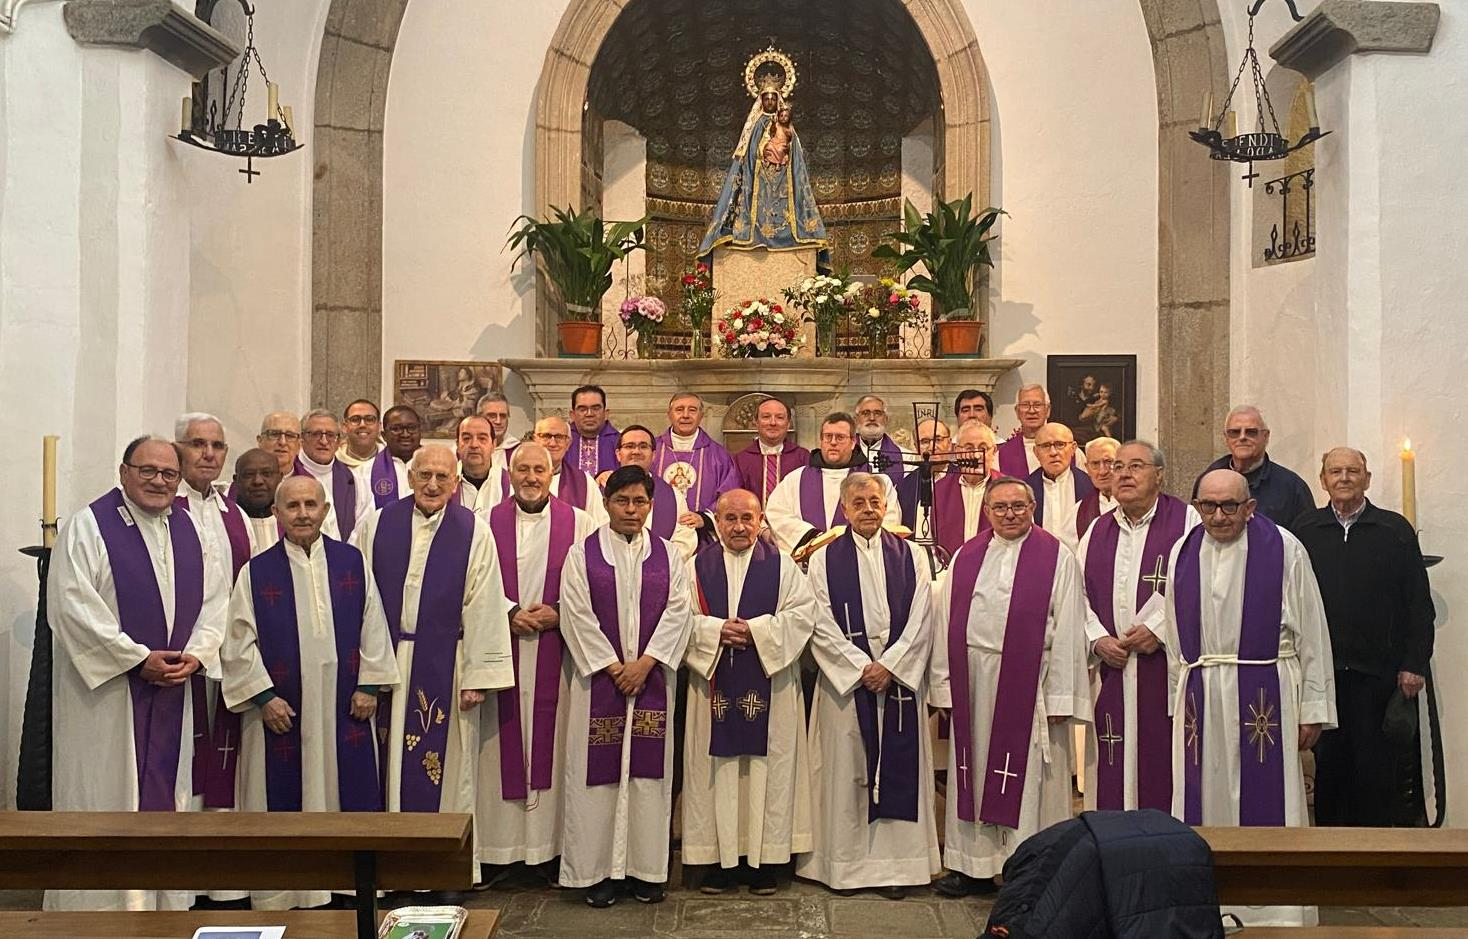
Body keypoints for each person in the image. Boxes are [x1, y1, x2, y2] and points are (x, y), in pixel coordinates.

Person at [46, 436, 227, 912]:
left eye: (169, 474)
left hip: (173, 689)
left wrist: (198, 654)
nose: (159, 481)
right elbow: (71, 606)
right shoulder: (89, 526)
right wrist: (134, 658)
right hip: (107, 702)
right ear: (123, 472)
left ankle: (163, 905)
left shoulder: (190, 529)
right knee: (107, 796)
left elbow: (216, 602)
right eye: (147, 470)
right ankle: (98, 911)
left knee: (168, 795)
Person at [1163, 469, 1336, 927]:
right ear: (1196, 505)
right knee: (1206, 798)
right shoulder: (1184, 550)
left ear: (1250, 507)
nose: (1218, 517)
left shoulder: (1283, 548)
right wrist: (1176, 701)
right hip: (1202, 691)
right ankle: (1209, 905)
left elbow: (1313, 631)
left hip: (1266, 692)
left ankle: (1276, 911)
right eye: (1208, 506)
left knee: (1268, 800)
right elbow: (1175, 636)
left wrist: (1313, 708)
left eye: (1230, 506)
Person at [220, 475, 397, 910]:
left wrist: (369, 685)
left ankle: (345, 885)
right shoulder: (256, 572)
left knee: (345, 791)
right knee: (284, 795)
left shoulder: (351, 562)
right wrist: (264, 696)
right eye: (293, 506)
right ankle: (286, 888)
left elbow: (373, 625)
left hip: (344, 706)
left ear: (324, 510)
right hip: (284, 709)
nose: (302, 513)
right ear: (278, 513)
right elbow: (238, 641)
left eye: (311, 505)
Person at [929, 476, 1090, 897]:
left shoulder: (1057, 557)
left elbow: (1071, 626)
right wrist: (944, 687)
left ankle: (1029, 869)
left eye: (1018, 506)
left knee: (1033, 781)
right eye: (1000, 507)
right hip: (974, 680)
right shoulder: (966, 555)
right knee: (975, 770)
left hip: (1030, 685)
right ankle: (972, 867)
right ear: (987, 512)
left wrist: (1060, 694)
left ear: (1033, 507)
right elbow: (946, 622)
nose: (1009, 514)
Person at [352, 445, 513, 864]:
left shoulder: (473, 530)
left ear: (455, 483)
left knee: (451, 772)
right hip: (388, 661)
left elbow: (485, 601)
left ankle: (444, 871)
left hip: (449, 666)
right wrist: (364, 669)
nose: (433, 484)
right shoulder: (377, 524)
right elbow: (359, 597)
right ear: (410, 478)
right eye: (425, 475)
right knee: (388, 771)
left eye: (443, 477)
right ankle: (392, 867)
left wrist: (479, 675)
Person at [557, 466, 694, 907]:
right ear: (606, 502)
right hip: (601, 682)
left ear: (651, 506)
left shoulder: (670, 555)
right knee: (597, 780)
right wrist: (615, 667)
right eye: (623, 501)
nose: (632, 510)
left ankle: (645, 870)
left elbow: (679, 612)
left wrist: (647, 663)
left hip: (651, 678)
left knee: (647, 777)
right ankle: (595, 873)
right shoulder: (582, 554)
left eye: (640, 502)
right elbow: (576, 614)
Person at [799, 473, 938, 899]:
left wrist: (891, 666)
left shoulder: (912, 555)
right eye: (857, 501)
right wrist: (860, 667)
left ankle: (898, 867)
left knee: (899, 768)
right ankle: (844, 867)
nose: (867, 508)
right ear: (844, 509)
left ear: (886, 505)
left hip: (896, 684)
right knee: (848, 774)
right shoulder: (824, 559)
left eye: (874, 500)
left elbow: (922, 617)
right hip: (847, 686)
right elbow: (817, 621)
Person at [476, 443, 598, 887]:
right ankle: (499, 850)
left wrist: (560, 611)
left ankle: (549, 851)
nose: (530, 477)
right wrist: (509, 612)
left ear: (552, 475)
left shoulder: (580, 522)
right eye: (522, 469)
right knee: (494, 750)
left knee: (557, 743)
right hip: (500, 652)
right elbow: (474, 582)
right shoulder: (484, 523)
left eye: (538, 470)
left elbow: (594, 582)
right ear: (509, 473)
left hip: (559, 654)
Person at [684, 490, 817, 895]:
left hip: (771, 688)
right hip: (711, 687)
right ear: (717, 522)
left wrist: (757, 632)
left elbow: (802, 614)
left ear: (761, 521)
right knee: (714, 774)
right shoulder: (694, 567)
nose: (739, 526)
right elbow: (677, 616)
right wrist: (713, 630)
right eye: (730, 518)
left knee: (768, 772)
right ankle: (718, 862)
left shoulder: (784, 568)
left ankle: (764, 861)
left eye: (747, 518)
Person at [1294, 447, 1435, 827]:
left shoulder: (1394, 531)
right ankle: (1330, 865)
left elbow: (1418, 605)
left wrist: (1413, 664)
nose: (1343, 478)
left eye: (1352, 471)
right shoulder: (1303, 532)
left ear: (1367, 479)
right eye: (1335, 471)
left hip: (1379, 676)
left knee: (1376, 772)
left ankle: (1376, 864)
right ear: (1322, 481)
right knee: (1330, 771)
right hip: (1324, 676)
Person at [1077, 442, 1199, 813]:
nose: (1124, 474)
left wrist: (1159, 629)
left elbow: (1197, 581)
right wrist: (1097, 638)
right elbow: (1074, 592)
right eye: (1118, 467)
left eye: (1136, 466)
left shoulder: (1187, 521)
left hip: (1164, 670)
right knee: (1113, 761)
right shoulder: (1097, 529)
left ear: (1159, 475)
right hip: (1112, 670)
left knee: (1165, 762)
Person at [697, 78, 828, 261]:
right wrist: (762, 153)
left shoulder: (787, 127)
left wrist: (785, 155)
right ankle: (753, 233)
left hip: (783, 176)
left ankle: (790, 233)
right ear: (761, 100)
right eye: (766, 98)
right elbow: (749, 154)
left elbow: (796, 156)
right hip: (759, 175)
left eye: (773, 99)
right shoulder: (756, 125)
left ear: (778, 100)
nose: (770, 102)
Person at [765, 412, 900, 557]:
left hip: (861, 560)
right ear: (821, 441)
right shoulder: (795, 479)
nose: (833, 442)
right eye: (828, 437)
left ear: (853, 442)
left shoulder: (877, 481)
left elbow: (889, 519)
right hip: (809, 565)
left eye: (840, 437)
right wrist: (814, 538)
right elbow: (777, 513)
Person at [1191, 406, 1315, 529]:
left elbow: (1307, 537)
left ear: (1266, 436)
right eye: (1234, 432)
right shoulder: (1208, 479)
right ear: (1226, 438)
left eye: (1251, 432)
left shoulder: (1291, 486)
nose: (1242, 437)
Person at [600, 425, 698, 560]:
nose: (636, 451)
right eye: (629, 446)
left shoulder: (674, 496)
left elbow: (685, 539)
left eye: (643, 446)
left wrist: (656, 565)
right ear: (618, 454)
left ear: (653, 455)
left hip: (658, 572)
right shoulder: (601, 489)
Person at [653, 392, 740, 520]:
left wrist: (704, 518)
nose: (685, 415)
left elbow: (728, 495)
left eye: (692, 410)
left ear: (701, 416)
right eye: (679, 410)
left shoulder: (719, 455)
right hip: (656, 527)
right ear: (669, 415)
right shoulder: (651, 449)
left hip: (701, 533)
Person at [293, 409, 370, 541]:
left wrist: (342, 555)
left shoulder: (355, 481)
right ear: (302, 438)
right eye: (316, 434)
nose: (324, 441)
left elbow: (363, 528)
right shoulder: (289, 476)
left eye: (330, 435)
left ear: (339, 441)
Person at [927, 420, 997, 560]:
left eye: (983, 448)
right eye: (969, 448)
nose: (976, 456)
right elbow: (927, 544)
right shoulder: (938, 491)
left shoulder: (1008, 490)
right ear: (957, 451)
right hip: (948, 574)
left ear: (994, 452)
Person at [1027, 422, 1096, 555]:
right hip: (1039, 561)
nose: (1053, 452)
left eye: (1060, 445)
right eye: (1046, 446)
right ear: (1036, 452)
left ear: (1073, 448)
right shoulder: (1025, 489)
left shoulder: (1091, 486)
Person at [732, 397, 809, 507]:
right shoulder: (740, 460)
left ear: (788, 424)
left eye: (780, 417)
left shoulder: (803, 458)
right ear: (756, 422)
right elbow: (735, 498)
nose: (773, 423)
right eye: (766, 417)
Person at [534, 415, 608, 526]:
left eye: (559, 437)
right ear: (535, 440)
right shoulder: (520, 478)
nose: (552, 443)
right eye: (546, 436)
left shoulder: (584, 482)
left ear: (568, 443)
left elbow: (600, 525)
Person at [359, 404, 420, 509]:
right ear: (384, 435)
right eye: (396, 429)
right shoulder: (364, 473)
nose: (405, 434)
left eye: (412, 428)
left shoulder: (438, 467)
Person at [232, 448, 284, 555]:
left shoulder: (293, 521)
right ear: (236, 480)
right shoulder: (225, 523)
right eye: (249, 474)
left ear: (280, 478)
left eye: (267, 473)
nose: (258, 481)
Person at [995, 385, 1050, 477]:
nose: (1031, 411)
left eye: (1037, 405)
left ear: (1047, 410)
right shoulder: (1002, 455)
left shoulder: (1068, 450)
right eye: (1025, 405)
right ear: (1017, 411)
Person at [852, 394, 907, 482]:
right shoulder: (845, 454)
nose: (872, 418)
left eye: (877, 413)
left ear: (886, 419)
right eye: (866, 413)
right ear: (856, 420)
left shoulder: (906, 457)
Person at [455, 414, 503, 513]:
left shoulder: (509, 484)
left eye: (482, 438)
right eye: (467, 438)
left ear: (494, 445)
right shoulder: (445, 482)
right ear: (457, 445)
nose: (474, 445)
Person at [569, 385, 619, 476]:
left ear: (606, 413)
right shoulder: (561, 441)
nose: (589, 414)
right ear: (572, 415)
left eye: (595, 408)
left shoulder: (620, 442)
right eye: (582, 409)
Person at [1079, 437, 1121, 542]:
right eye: (1095, 464)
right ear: (1087, 468)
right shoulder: (1079, 511)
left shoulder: (1141, 504)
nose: (1102, 471)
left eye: (1108, 462)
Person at [337, 399, 382, 470]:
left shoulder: (391, 460)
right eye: (355, 419)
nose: (362, 424)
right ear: (345, 427)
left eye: (369, 419)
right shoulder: (333, 462)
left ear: (379, 426)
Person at [257, 411, 302, 478]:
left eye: (290, 436)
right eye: (274, 434)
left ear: (299, 446)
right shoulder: (245, 482)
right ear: (260, 441)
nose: (282, 442)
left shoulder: (311, 484)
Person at [478, 391, 519, 462]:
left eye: (503, 416)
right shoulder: (467, 450)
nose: (498, 421)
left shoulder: (517, 451)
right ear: (479, 417)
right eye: (492, 416)